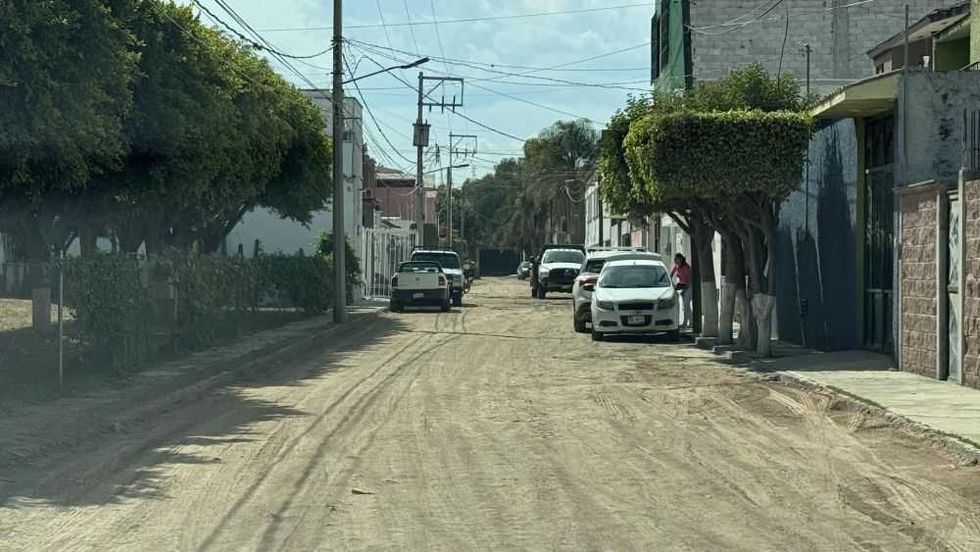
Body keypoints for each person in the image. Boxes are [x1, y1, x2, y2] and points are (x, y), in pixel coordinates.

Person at [670, 253, 694, 329]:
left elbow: (690, 279)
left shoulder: (686, 267)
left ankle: (691, 322)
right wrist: (672, 284)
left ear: (680, 259)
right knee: (685, 306)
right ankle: (685, 322)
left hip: (689, 286)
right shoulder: (676, 266)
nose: (675, 260)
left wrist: (685, 289)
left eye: (676, 259)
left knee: (686, 304)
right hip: (683, 286)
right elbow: (671, 275)